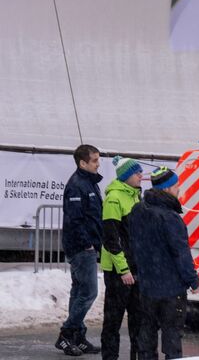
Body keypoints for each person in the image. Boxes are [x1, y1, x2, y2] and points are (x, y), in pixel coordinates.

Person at [128, 166, 199, 360]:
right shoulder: (170, 218)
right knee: (172, 339)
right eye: (176, 186)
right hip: (170, 288)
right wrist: (192, 280)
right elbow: (181, 253)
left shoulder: (138, 210)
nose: (179, 190)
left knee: (147, 335)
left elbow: (132, 245)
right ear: (167, 189)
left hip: (146, 286)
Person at [56, 144, 103, 356]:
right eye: (94, 160)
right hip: (81, 247)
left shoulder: (90, 183)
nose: (98, 164)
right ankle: (66, 334)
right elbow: (75, 220)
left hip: (87, 246)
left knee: (78, 293)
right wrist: (87, 244)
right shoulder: (77, 185)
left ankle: (78, 335)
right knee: (89, 293)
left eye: (98, 159)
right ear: (82, 163)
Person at [100, 156, 143, 360]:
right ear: (125, 176)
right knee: (113, 321)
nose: (141, 175)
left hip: (135, 267)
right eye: (137, 172)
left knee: (138, 320)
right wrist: (123, 270)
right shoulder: (114, 198)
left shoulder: (135, 195)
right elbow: (111, 238)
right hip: (119, 271)